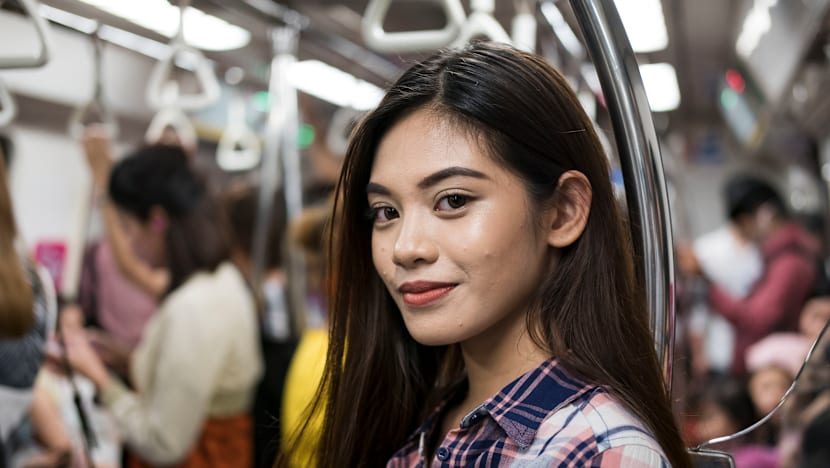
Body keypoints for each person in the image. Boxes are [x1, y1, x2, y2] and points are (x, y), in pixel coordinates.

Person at [281, 41, 691, 467]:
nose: (405, 248)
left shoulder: (599, 452)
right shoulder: (421, 423)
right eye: (386, 212)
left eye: (453, 201)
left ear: (563, 212)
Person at [53, 144, 263, 467]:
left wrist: (99, 379)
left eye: (128, 228)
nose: (130, 243)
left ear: (156, 221)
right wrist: (122, 357)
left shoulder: (193, 308)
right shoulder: (222, 280)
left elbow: (165, 443)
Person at [680, 176, 819, 375]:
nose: (745, 232)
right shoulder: (778, 257)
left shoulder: (789, 263)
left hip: (777, 373)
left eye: (746, 223)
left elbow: (756, 319)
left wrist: (708, 283)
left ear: (766, 215)